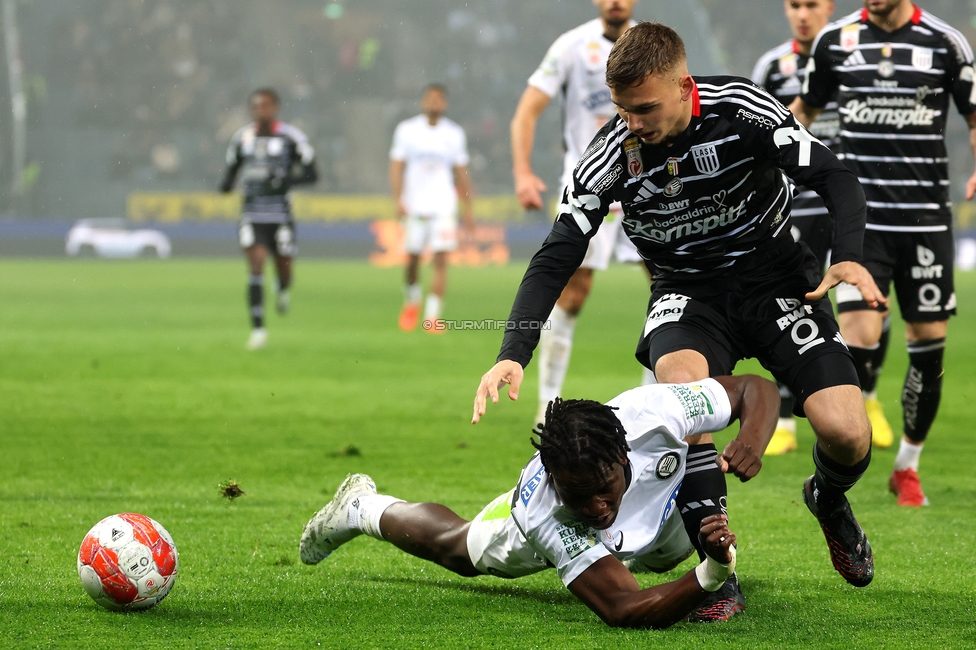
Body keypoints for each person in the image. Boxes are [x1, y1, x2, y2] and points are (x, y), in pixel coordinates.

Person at [474, 22, 885, 592]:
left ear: (683, 85)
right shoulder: (610, 155)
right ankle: (719, 572)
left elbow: (836, 176)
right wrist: (513, 351)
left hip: (776, 281)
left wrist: (849, 255)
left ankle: (828, 497)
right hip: (686, 292)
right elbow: (555, 257)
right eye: (622, 109)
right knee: (682, 394)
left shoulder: (741, 110)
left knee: (846, 433)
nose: (632, 124)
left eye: (644, 109)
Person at [301, 375, 779, 627]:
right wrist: (711, 574)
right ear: (554, 478)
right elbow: (622, 607)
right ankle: (361, 508)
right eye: (579, 494)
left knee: (697, 445)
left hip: (666, 518)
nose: (594, 506)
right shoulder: (546, 510)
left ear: (623, 453)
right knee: (457, 547)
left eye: (603, 487)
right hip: (579, 542)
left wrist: (753, 441)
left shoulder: (656, 412)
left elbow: (752, 389)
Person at [789, 0, 976, 506]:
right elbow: (803, 111)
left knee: (928, 343)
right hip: (861, 223)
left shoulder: (944, 42)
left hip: (926, 221)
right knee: (859, 336)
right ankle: (838, 455)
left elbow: (973, 115)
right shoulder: (836, 41)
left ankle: (907, 466)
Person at [752, 1, 895, 455]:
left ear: (828, 8)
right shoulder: (772, 66)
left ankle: (866, 397)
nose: (802, 14)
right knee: (794, 304)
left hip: (848, 202)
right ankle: (786, 420)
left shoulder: (854, 56)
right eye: (794, 5)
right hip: (794, 208)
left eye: (811, 4)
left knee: (867, 303)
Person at [511, 0, 649, 424]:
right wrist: (522, 173)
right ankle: (546, 405)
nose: (615, 2)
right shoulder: (571, 46)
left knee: (669, 285)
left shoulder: (652, 44)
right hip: (591, 185)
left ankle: (657, 398)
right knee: (572, 292)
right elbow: (526, 112)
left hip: (649, 183)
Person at [220, 88, 317, 350]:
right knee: (256, 264)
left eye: (267, 106)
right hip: (252, 213)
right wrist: (226, 185)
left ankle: (283, 289)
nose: (262, 111)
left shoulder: (290, 137)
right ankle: (258, 330)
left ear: (276, 108)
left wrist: (285, 180)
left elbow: (312, 174)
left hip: (281, 214)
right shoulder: (243, 138)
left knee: (284, 267)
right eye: (257, 107)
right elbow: (232, 170)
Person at [391, 84, 475, 333]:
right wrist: (398, 199)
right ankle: (412, 301)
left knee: (441, 260)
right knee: (412, 261)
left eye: (439, 99)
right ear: (422, 102)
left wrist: (468, 207)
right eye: (430, 99)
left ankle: (432, 318)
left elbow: (461, 172)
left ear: (445, 104)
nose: (435, 103)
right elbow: (397, 166)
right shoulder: (407, 130)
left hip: (443, 206)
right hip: (415, 205)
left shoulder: (454, 134)